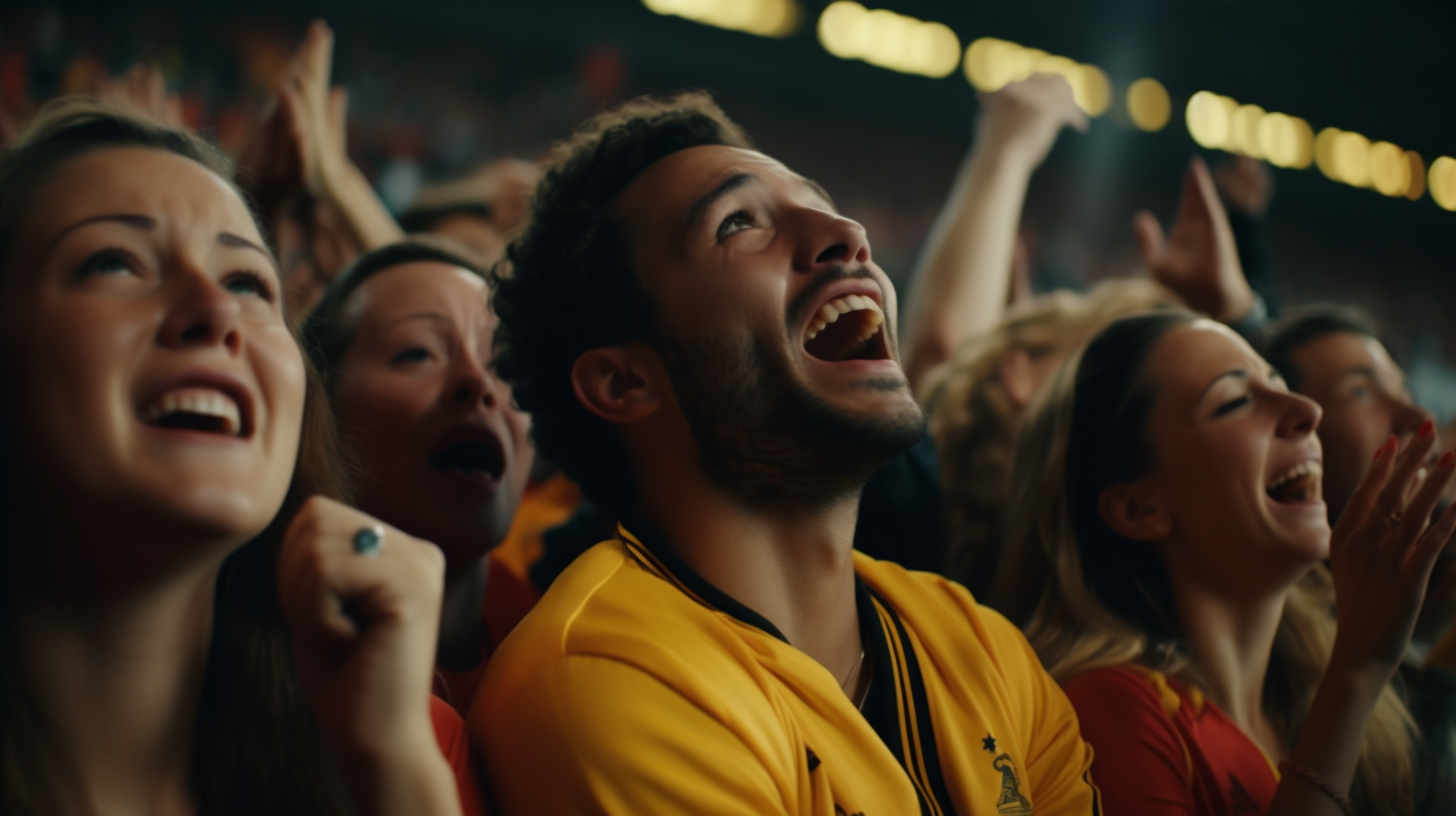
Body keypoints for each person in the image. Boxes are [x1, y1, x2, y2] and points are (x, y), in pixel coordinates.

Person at [471, 91, 1099, 815]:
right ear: (623, 381)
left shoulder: (982, 648)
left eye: (821, 201)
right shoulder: (604, 677)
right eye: (737, 223)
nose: (846, 232)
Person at [0, 100, 479, 815]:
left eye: (248, 283)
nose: (215, 311)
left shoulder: (401, 737)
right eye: (115, 263)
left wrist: (395, 775)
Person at [998, 310, 1454, 815]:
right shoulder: (1112, 711)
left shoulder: (1329, 705)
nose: (1307, 408)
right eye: (1235, 401)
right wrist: (1356, 673)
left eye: (1278, 383)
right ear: (1138, 508)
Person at [301, 237, 544, 711]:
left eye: (503, 363)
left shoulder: (547, 633)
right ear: (318, 411)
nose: (477, 382)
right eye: (417, 353)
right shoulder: (281, 662)